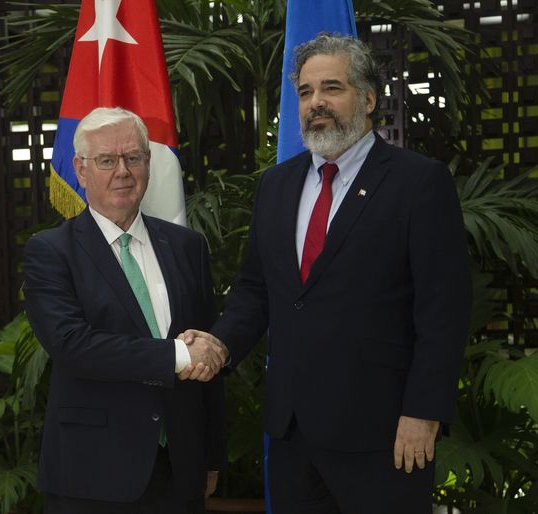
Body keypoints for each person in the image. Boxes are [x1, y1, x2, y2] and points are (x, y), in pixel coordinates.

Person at [180, 33, 471, 513]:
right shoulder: (276, 186)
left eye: (331, 88)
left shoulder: (418, 183)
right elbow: (256, 291)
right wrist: (220, 343)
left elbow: (443, 310)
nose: (317, 103)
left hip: (384, 433)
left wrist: (424, 411)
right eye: (305, 92)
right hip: (293, 432)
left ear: (369, 98)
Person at [23, 107, 228, 514]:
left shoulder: (186, 246)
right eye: (107, 161)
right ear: (81, 171)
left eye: (133, 158)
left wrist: (210, 456)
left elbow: (207, 352)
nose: (123, 171)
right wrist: (178, 355)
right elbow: (73, 345)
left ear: (148, 165)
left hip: (180, 471)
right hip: (94, 475)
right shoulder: (50, 252)